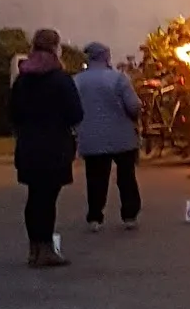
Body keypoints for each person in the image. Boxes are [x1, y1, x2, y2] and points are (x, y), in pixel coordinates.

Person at [9, 28, 83, 268]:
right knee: (47, 199)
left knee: (34, 197)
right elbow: (76, 113)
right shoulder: (60, 79)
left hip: (29, 144)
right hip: (54, 146)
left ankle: (34, 247)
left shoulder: (22, 79)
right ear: (55, 48)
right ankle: (46, 249)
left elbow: (12, 112)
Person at [76, 42, 143, 231]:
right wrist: (135, 118)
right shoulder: (118, 79)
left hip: (91, 137)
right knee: (126, 176)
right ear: (106, 57)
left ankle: (95, 217)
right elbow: (133, 105)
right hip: (121, 136)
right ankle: (129, 215)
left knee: (96, 177)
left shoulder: (78, 81)